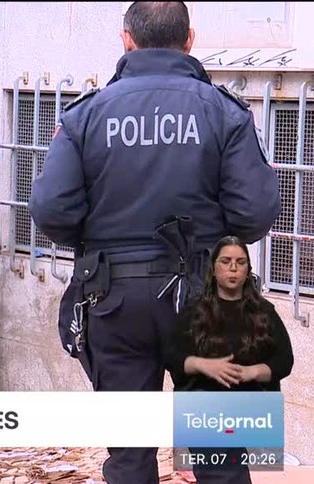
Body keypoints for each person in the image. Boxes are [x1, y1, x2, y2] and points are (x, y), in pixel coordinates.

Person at [28, 3, 282, 483]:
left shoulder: (86, 114)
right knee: (220, 454)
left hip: (113, 299)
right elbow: (255, 212)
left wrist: (100, 242)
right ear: (189, 40)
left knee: (129, 458)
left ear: (126, 39)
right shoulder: (224, 112)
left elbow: (51, 210)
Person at [166, 236, 292, 484]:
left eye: (240, 262)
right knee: (223, 474)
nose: (233, 268)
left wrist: (252, 372)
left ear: (248, 269)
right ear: (214, 268)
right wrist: (203, 365)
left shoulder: (264, 312)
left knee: (230, 473)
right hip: (203, 405)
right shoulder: (194, 310)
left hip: (248, 407)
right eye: (225, 261)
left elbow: (284, 360)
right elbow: (171, 355)